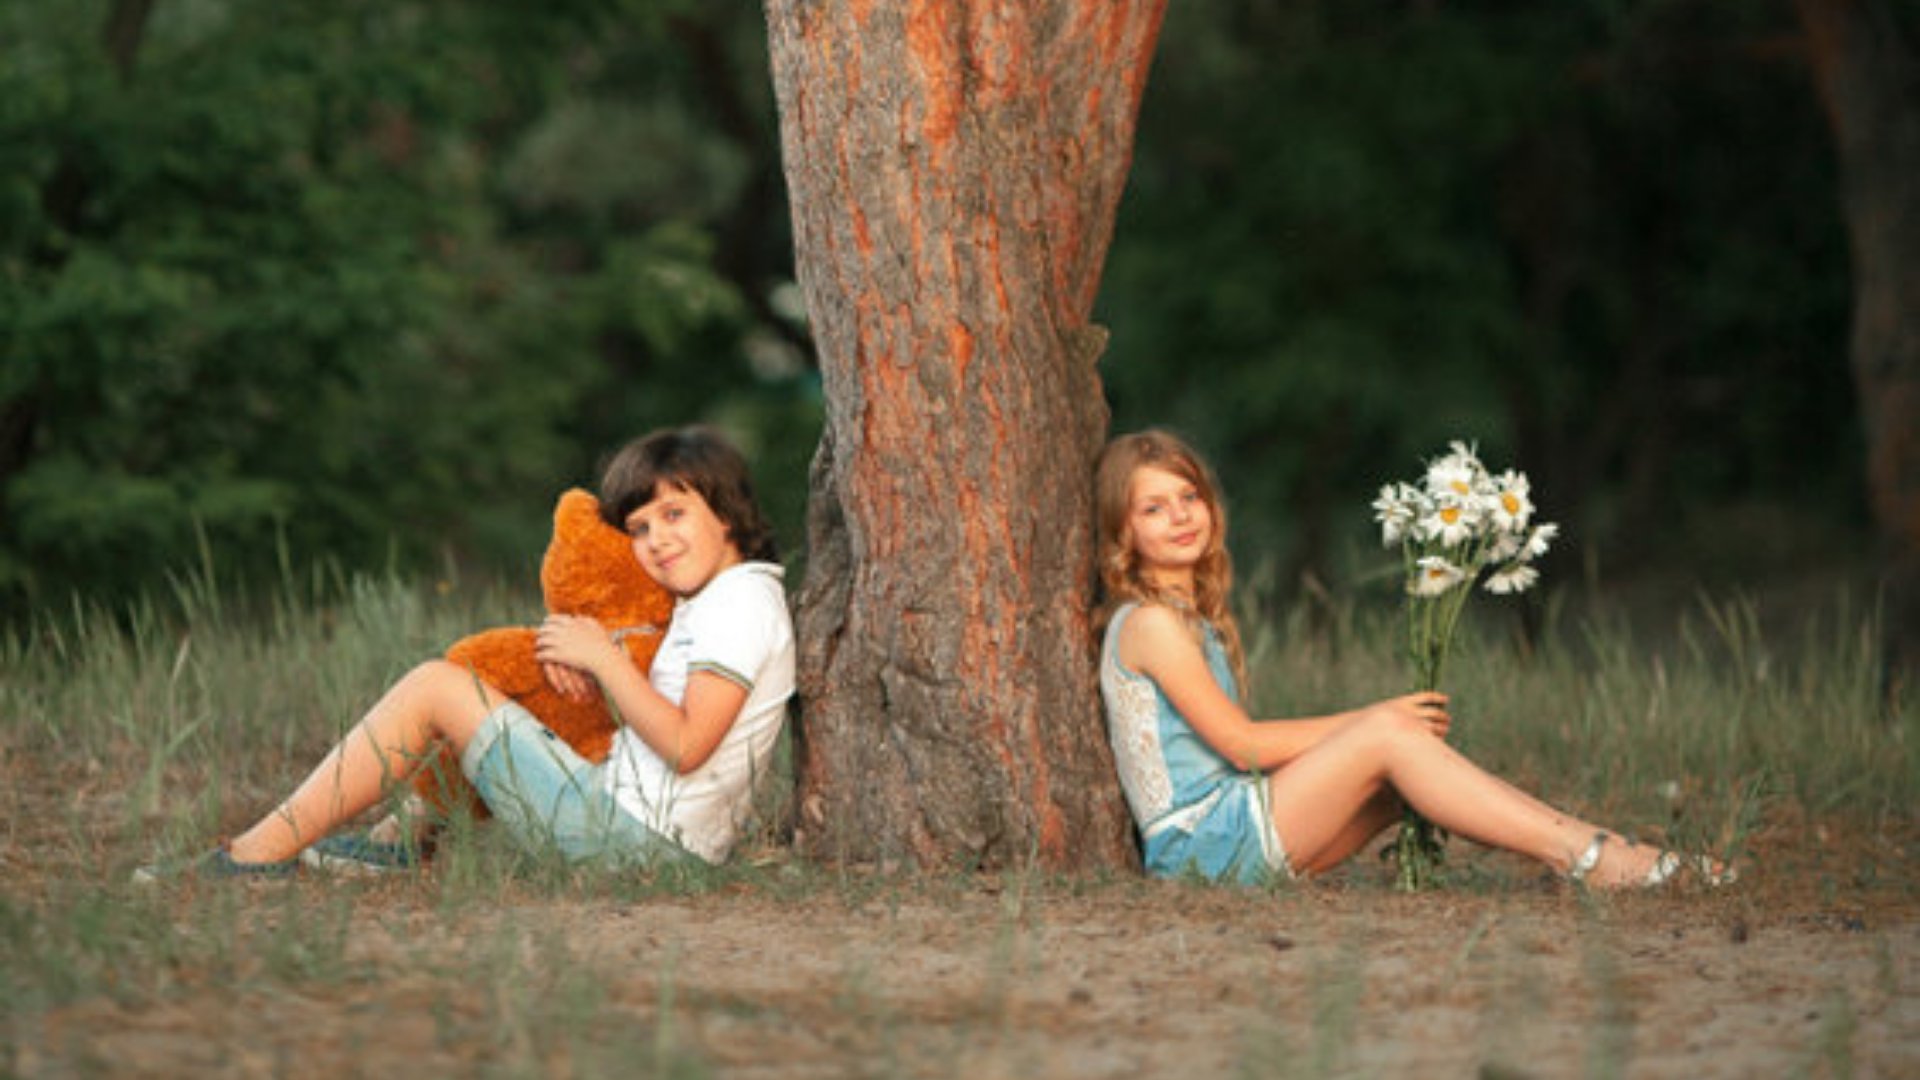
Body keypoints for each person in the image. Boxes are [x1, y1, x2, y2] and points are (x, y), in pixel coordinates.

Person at [137, 425, 794, 880]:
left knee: (434, 686)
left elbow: (686, 746)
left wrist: (604, 660)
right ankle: (400, 838)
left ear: (727, 512)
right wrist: (590, 658)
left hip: (638, 845)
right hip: (632, 825)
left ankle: (256, 855)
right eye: (640, 528)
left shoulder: (740, 606)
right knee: (486, 689)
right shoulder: (721, 600)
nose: (655, 541)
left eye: (674, 515)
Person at [1093, 429, 1732, 889]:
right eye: (1154, 508)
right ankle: (1592, 857)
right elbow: (1239, 744)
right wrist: (1376, 719)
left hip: (1234, 825)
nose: (1180, 516)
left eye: (1189, 497)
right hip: (1200, 846)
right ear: (1123, 532)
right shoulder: (1148, 623)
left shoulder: (1189, 617)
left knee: (1409, 776)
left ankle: (1597, 849)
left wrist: (1382, 732)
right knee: (1392, 737)